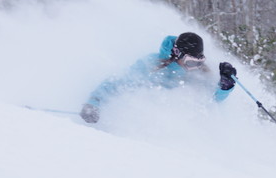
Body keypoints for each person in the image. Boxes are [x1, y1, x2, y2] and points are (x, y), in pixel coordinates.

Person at [80, 32, 237, 123]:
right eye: (189, 62)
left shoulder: (198, 73)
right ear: (177, 54)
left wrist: (226, 85)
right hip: (142, 120)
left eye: (198, 63)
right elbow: (117, 83)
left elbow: (211, 100)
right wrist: (94, 103)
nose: (193, 68)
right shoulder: (151, 65)